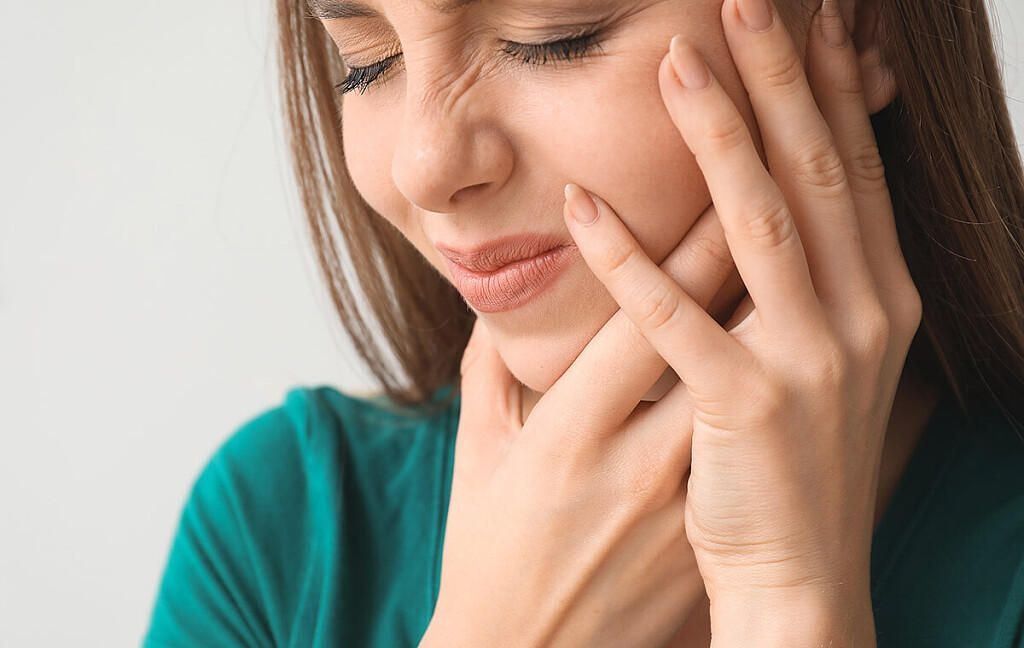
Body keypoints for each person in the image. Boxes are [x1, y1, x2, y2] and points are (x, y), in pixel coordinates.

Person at [144, 0, 1024, 645]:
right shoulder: (276, 531)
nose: (424, 165)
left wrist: (788, 604)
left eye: (554, 34)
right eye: (366, 60)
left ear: (859, 20)